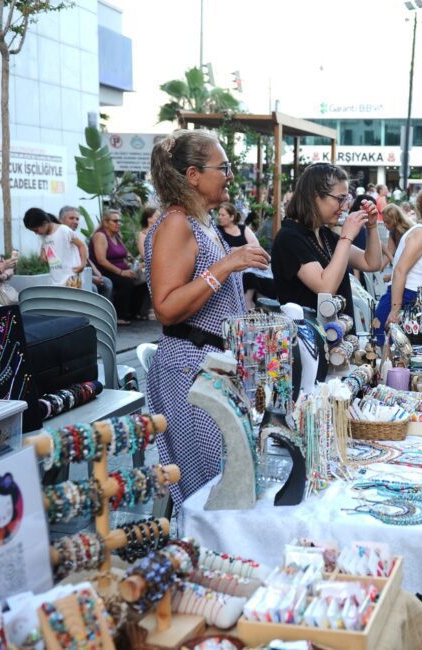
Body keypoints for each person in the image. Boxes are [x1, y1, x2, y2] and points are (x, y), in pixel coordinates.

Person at [144, 129, 269, 506]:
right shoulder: (175, 224)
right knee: (209, 490)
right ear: (194, 175)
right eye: (224, 167)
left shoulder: (204, 224)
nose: (230, 175)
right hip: (188, 369)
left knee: (227, 478)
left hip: (211, 368)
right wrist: (228, 264)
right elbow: (165, 307)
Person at [270, 163, 382, 318]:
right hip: (310, 339)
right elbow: (326, 289)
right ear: (316, 196)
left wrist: (372, 227)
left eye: (346, 199)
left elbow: (372, 263)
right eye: (340, 199)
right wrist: (346, 237)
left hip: (339, 337)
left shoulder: (324, 234)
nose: (344, 207)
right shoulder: (289, 237)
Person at [375, 188, 422, 343]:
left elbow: (416, 268)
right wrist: (396, 309)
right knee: (394, 362)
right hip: (404, 302)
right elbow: (400, 270)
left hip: (409, 301)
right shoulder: (421, 234)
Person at [91, 209, 148, 324]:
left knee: (144, 279)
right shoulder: (100, 236)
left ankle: (133, 313)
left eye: (120, 221)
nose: (119, 224)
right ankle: (120, 316)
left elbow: (127, 255)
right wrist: (122, 272)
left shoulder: (116, 236)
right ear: (106, 222)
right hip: (105, 271)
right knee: (126, 282)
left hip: (122, 269)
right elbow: (101, 261)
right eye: (115, 221)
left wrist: (136, 264)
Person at [216, 201, 274, 308]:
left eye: (222, 215)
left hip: (251, 266)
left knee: (266, 284)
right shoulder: (218, 231)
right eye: (218, 214)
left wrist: (237, 249)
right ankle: (248, 309)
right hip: (234, 270)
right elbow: (223, 250)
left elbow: (255, 245)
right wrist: (244, 248)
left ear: (232, 217)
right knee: (250, 278)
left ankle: (264, 312)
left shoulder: (243, 228)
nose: (219, 217)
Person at [22, 207, 88, 289]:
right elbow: (45, 243)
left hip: (71, 277)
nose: (36, 233)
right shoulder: (43, 234)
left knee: (70, 300)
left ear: (44, 223)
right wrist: (43, 252)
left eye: (36, 230)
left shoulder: (64, 231)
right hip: (56, 278)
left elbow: (81, 245)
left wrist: (83, 263)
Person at [59, 205, 111, 299]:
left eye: (77, 219)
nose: (75, 221)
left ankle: (104, 312)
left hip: (85, 273)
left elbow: (87, 259)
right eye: (71, 218)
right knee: (93, 288)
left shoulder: (75, 236)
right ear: (61, 220)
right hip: (70, 278)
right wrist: (90, 278)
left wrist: (97, 273)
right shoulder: (59, 239)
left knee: (106, 282)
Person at [380, 203, 414, 276]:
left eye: (388, 222)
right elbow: (390, 250)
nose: (385, 225)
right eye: (384, 222)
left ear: (396, 219)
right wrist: (382, 266)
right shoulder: (392, 231)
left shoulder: (409, 231)